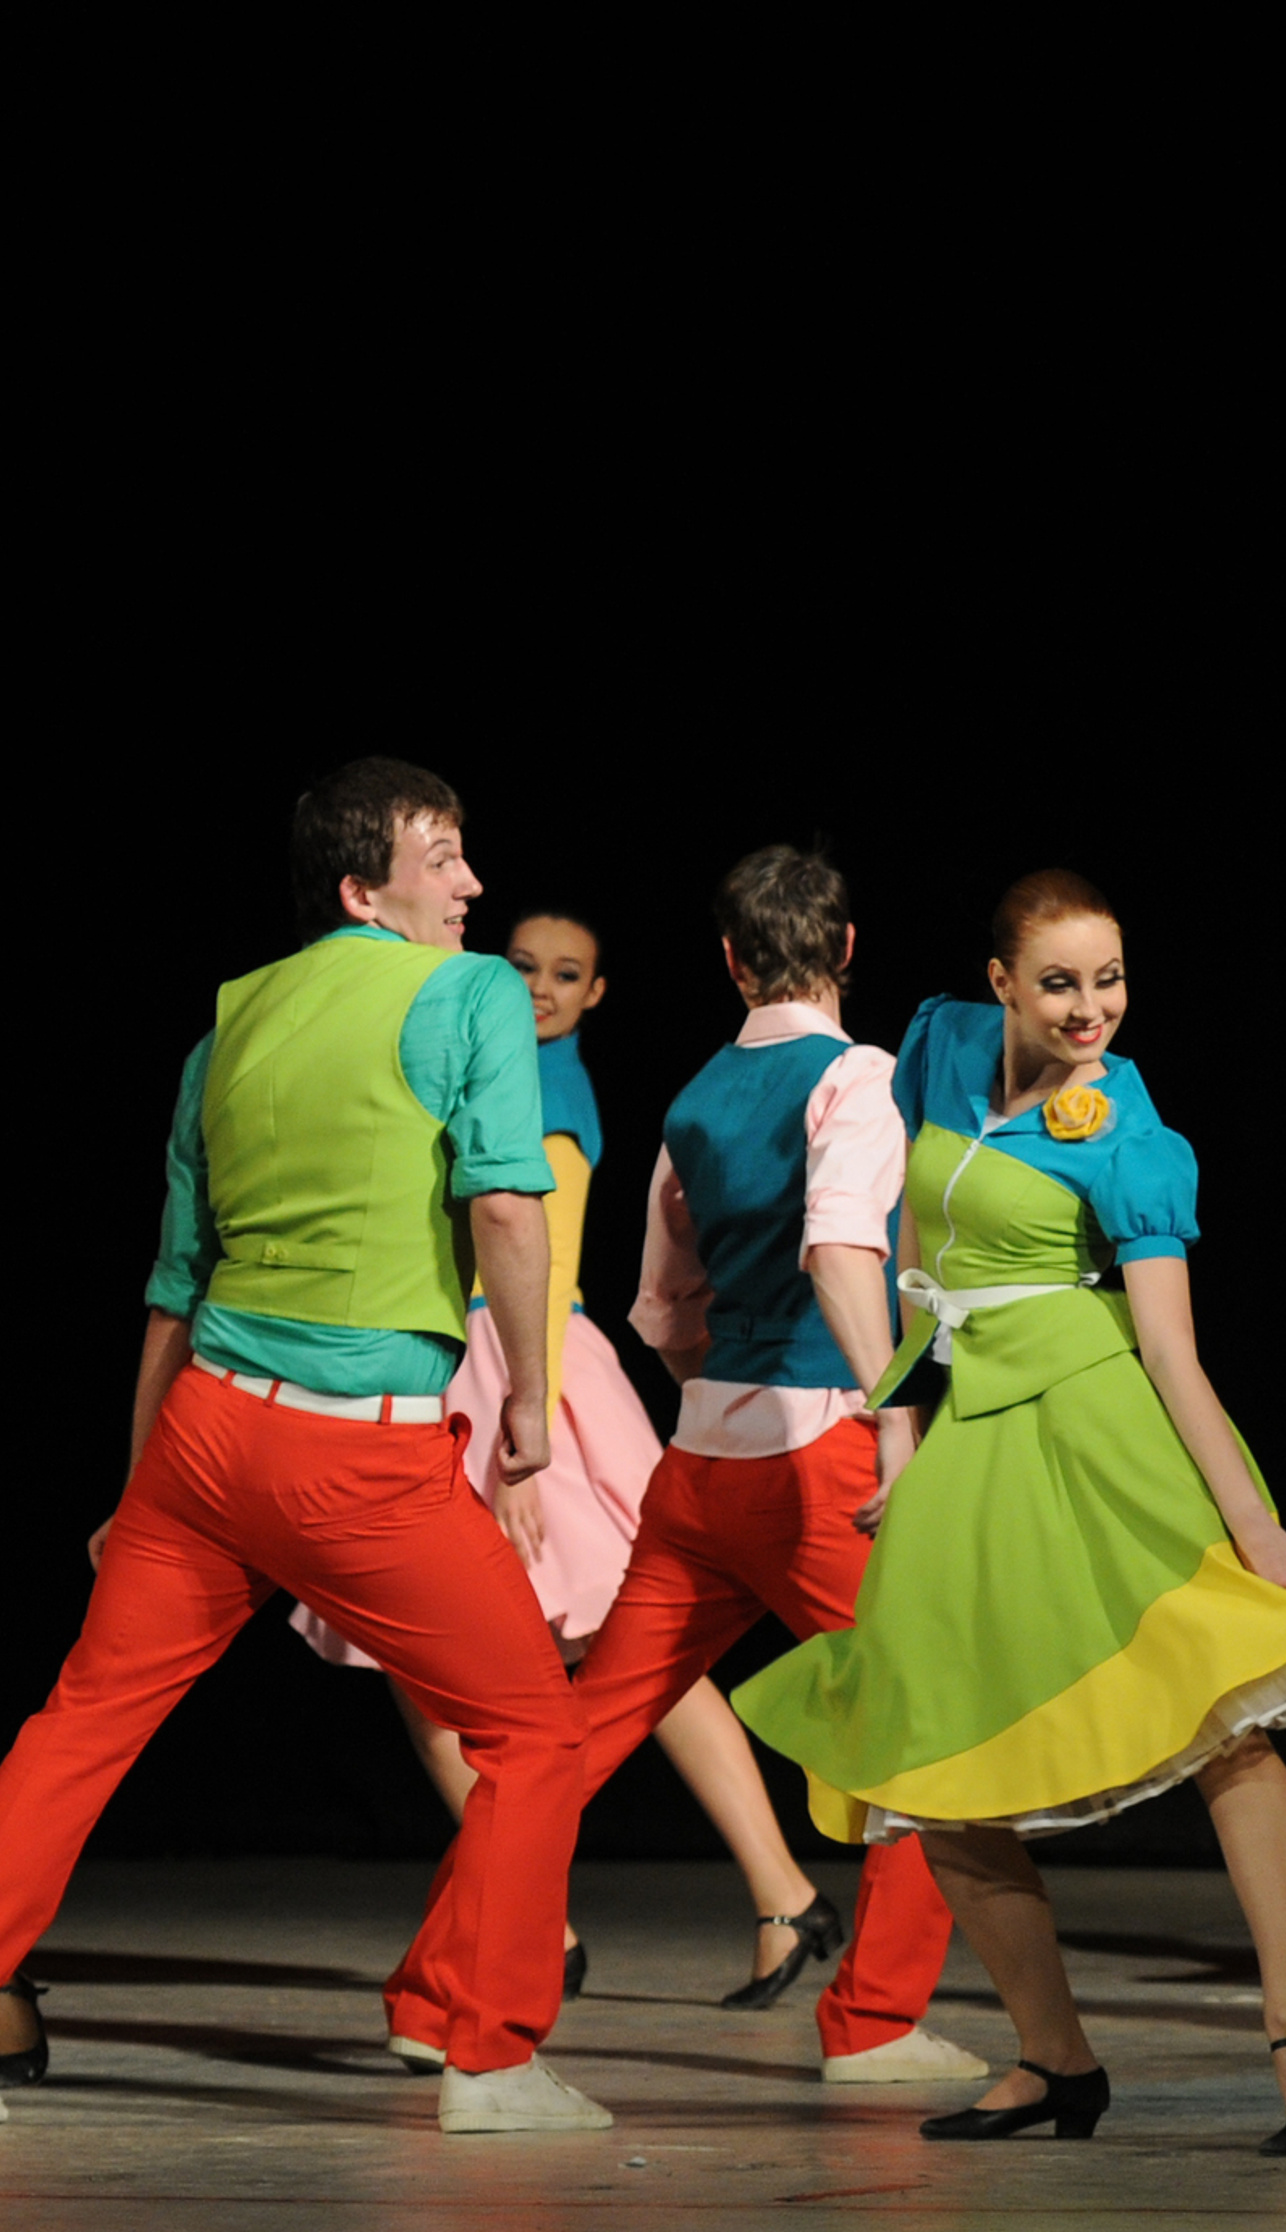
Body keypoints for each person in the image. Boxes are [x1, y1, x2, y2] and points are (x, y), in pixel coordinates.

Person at [0, 759, 608, 2134]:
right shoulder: (470, 994)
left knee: (81, 1724)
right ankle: (489, 2057)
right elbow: (507, 1207)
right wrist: (527, 1402)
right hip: (357, 1459)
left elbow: (177, 1283)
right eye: (441, 857)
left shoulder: (230, 1022)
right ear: (362, 890)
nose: (471, 883)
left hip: (208, 1437)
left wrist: (139, 1481)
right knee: (532, 1733)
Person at [735, 870, 1286, 2154]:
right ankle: (1053, 2057)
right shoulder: (940, 1048)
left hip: (1092, 1428)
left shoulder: (1126, 1127)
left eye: (1110, 980)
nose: (1091, 1008)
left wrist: (1253, 1524)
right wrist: (902, 1437)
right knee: (933, 1754)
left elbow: (1172, 1348)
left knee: (1222, 1714)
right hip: (969, 1442)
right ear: (1002, 984)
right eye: (1062, 982)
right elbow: (919, 1270)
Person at [380, 846, 979, 2086]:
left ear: (730, 960)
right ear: (846, 946)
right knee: (937, 1724)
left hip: (702, 1462)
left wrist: (722, 1388)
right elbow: (839, 1248)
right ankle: (872, 2020)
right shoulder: (859, 1076)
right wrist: (893, 1416)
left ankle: (437, 1997)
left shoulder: (698, 1096)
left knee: (571, 1734)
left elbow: (660, 1306)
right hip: (817, 1457)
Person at [290, 909, 839, 2020]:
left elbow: (536, 1254)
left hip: (519, 1367)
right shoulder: (499, 1062)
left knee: (606, 1654)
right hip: (468, 1359)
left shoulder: (547, 1084)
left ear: (597, 993)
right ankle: (724, 1900)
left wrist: (521, 1446)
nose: (540, 987)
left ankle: (583, 1909)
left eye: (567, 973)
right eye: (523, 966)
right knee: (603, 1656)